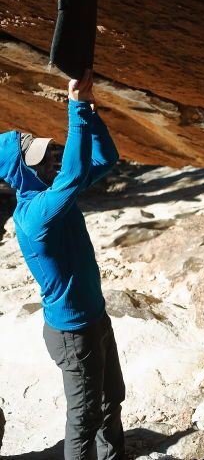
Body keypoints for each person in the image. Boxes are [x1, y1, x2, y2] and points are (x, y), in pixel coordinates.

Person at [0, 70, 125, 460]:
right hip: (73, 334)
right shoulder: (35, 215)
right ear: (20, 171)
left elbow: (106, 158)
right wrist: (74, 106)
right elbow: (72, 174)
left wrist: (89, 107)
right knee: (84, 418)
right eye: (37, 160)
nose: (49, 161)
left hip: (94, 318)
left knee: (111, 402)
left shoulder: (53, 196)